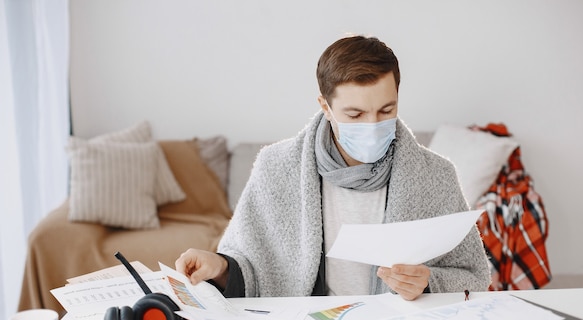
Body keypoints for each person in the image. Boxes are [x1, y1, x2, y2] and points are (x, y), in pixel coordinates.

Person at [176, 35, 490, 301]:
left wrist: (428, 282)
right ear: (326, 107)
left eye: (386, 110)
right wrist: (218, 266)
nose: (373, 125)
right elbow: (249, 267)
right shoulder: (276, 167)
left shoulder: (436, 176)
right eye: (355, 114)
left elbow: (474, 275)